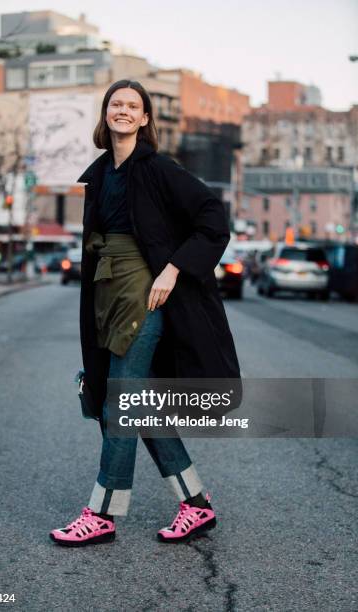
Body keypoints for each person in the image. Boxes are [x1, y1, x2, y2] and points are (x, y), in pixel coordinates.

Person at [50, 80, 241, 546]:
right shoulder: (100, 174)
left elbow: (213, 218)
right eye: (116, 104)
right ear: (106, 114)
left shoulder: (157, 169)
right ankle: (195, 505)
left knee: (120, 402)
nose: (123, 110)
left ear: (145, 119)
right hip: (108, 294)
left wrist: (173, 270)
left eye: (133, 106)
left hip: (144, 295)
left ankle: (102, 514)